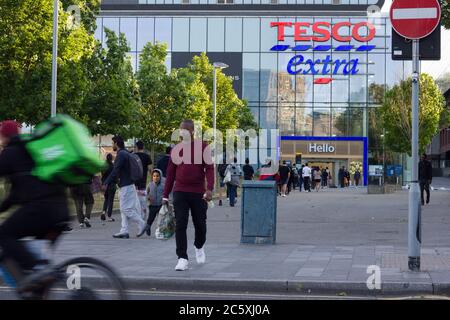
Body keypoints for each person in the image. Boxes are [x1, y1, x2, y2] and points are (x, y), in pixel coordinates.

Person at [0, 120, 70, 289]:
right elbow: (16, 194)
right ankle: (39, 280)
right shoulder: (33, 149)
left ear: (5, 136)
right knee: (38, 268)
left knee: (4, 234)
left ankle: (37, 271)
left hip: (42, 210)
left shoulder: (10, 153)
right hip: (61, 210)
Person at [162, 120, 214, 271]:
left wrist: (209, 188)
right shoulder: (176, 149)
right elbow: (170, 174)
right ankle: (182, 258)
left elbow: (210, 169)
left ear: (192, 131)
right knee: (181, 224)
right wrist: (165, 195)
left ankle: (199, 246)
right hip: (180, 191)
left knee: (200, 225)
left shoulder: (202, 147)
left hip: (198, 193)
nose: (181, 132)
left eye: (185, 130)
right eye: (180, 130)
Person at [103, 136, 146, 239]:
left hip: (126, 186)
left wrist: (106, 182)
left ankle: (142, 223)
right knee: (124, 209)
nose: (112, 145)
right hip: (128, 185)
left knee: (126, 209)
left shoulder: (121, 154)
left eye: (112, 143)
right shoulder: (125, 153)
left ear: (116, 143)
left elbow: (115, 170)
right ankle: (124, 231)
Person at [143, 169, 165, 236]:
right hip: (152, 205)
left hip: (161, 205)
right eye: (154, 176)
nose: (155, 177)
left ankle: (161, 231)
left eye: (157, 176)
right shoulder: (150, 185)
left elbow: (166, 194)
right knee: (150, 218)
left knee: (161, 219)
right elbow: (146, 194)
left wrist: (165, 200)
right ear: (152, 177)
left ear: (160, 177)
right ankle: (148, 227)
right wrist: (148, 198)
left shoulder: (163, 185)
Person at [134, 140, 152, 220]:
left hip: (134, 181)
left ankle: (137, 215)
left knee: (135, 199)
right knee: (142, 200)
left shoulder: (133, 156)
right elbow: (150, 169)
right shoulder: (147, 156)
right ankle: (143, 215)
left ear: (136, 147)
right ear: (143, 147)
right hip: (143, 181)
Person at [101, 153, 117, 222]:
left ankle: (103, 212)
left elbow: (102, 175)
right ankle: (109, 216)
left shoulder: (104, 166)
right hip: (112, 185)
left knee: (106, 199)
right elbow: (115, 176)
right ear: (111, 159)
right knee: (111, 201)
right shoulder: (113, 166)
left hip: (105, 185)